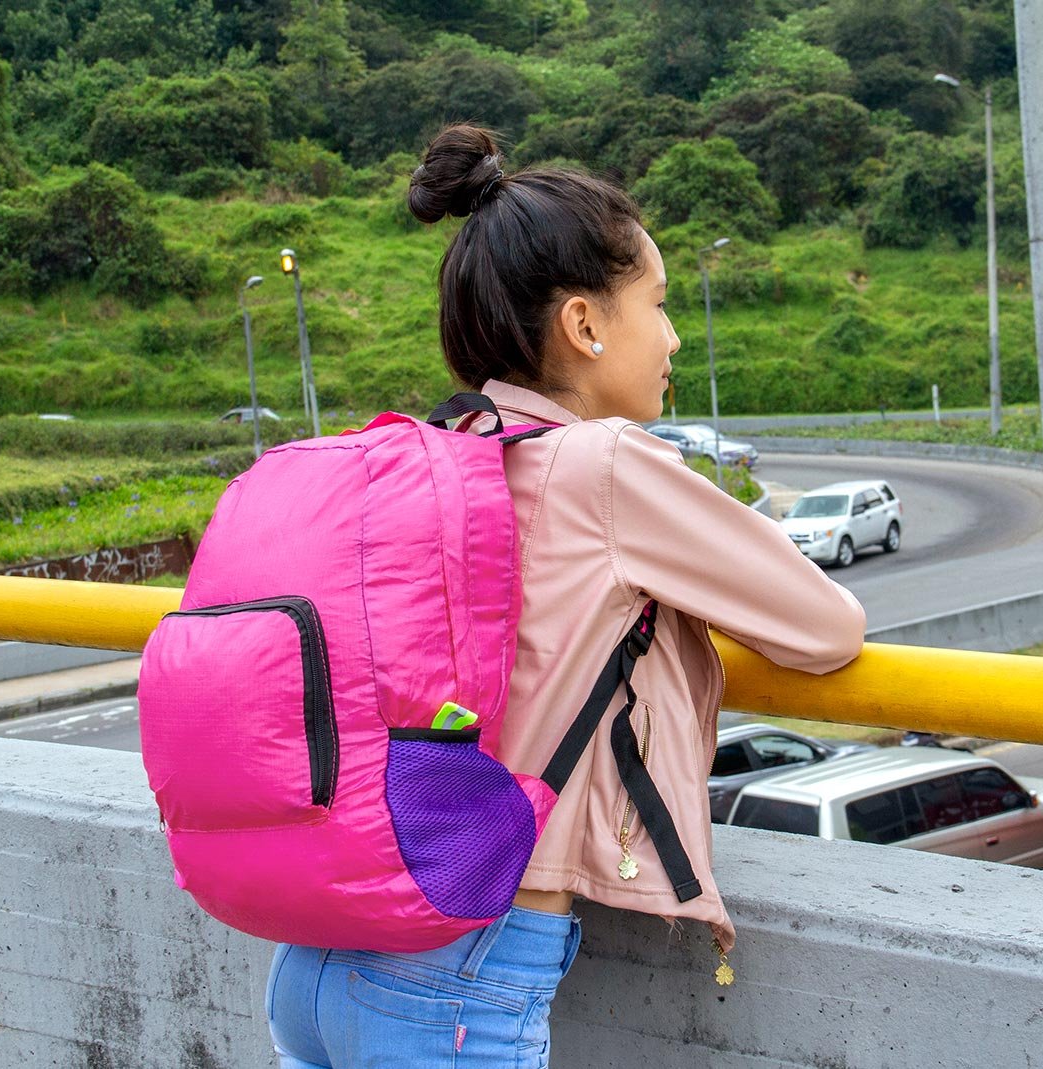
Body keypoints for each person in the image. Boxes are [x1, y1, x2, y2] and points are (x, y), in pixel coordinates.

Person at [266, 124, 865, 1069]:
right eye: (657, 304)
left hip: (316, 956)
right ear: (585, 325)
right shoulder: (605, 463)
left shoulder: (438, 454)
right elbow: (826, 628)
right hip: (460, 975)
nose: (673, 336)